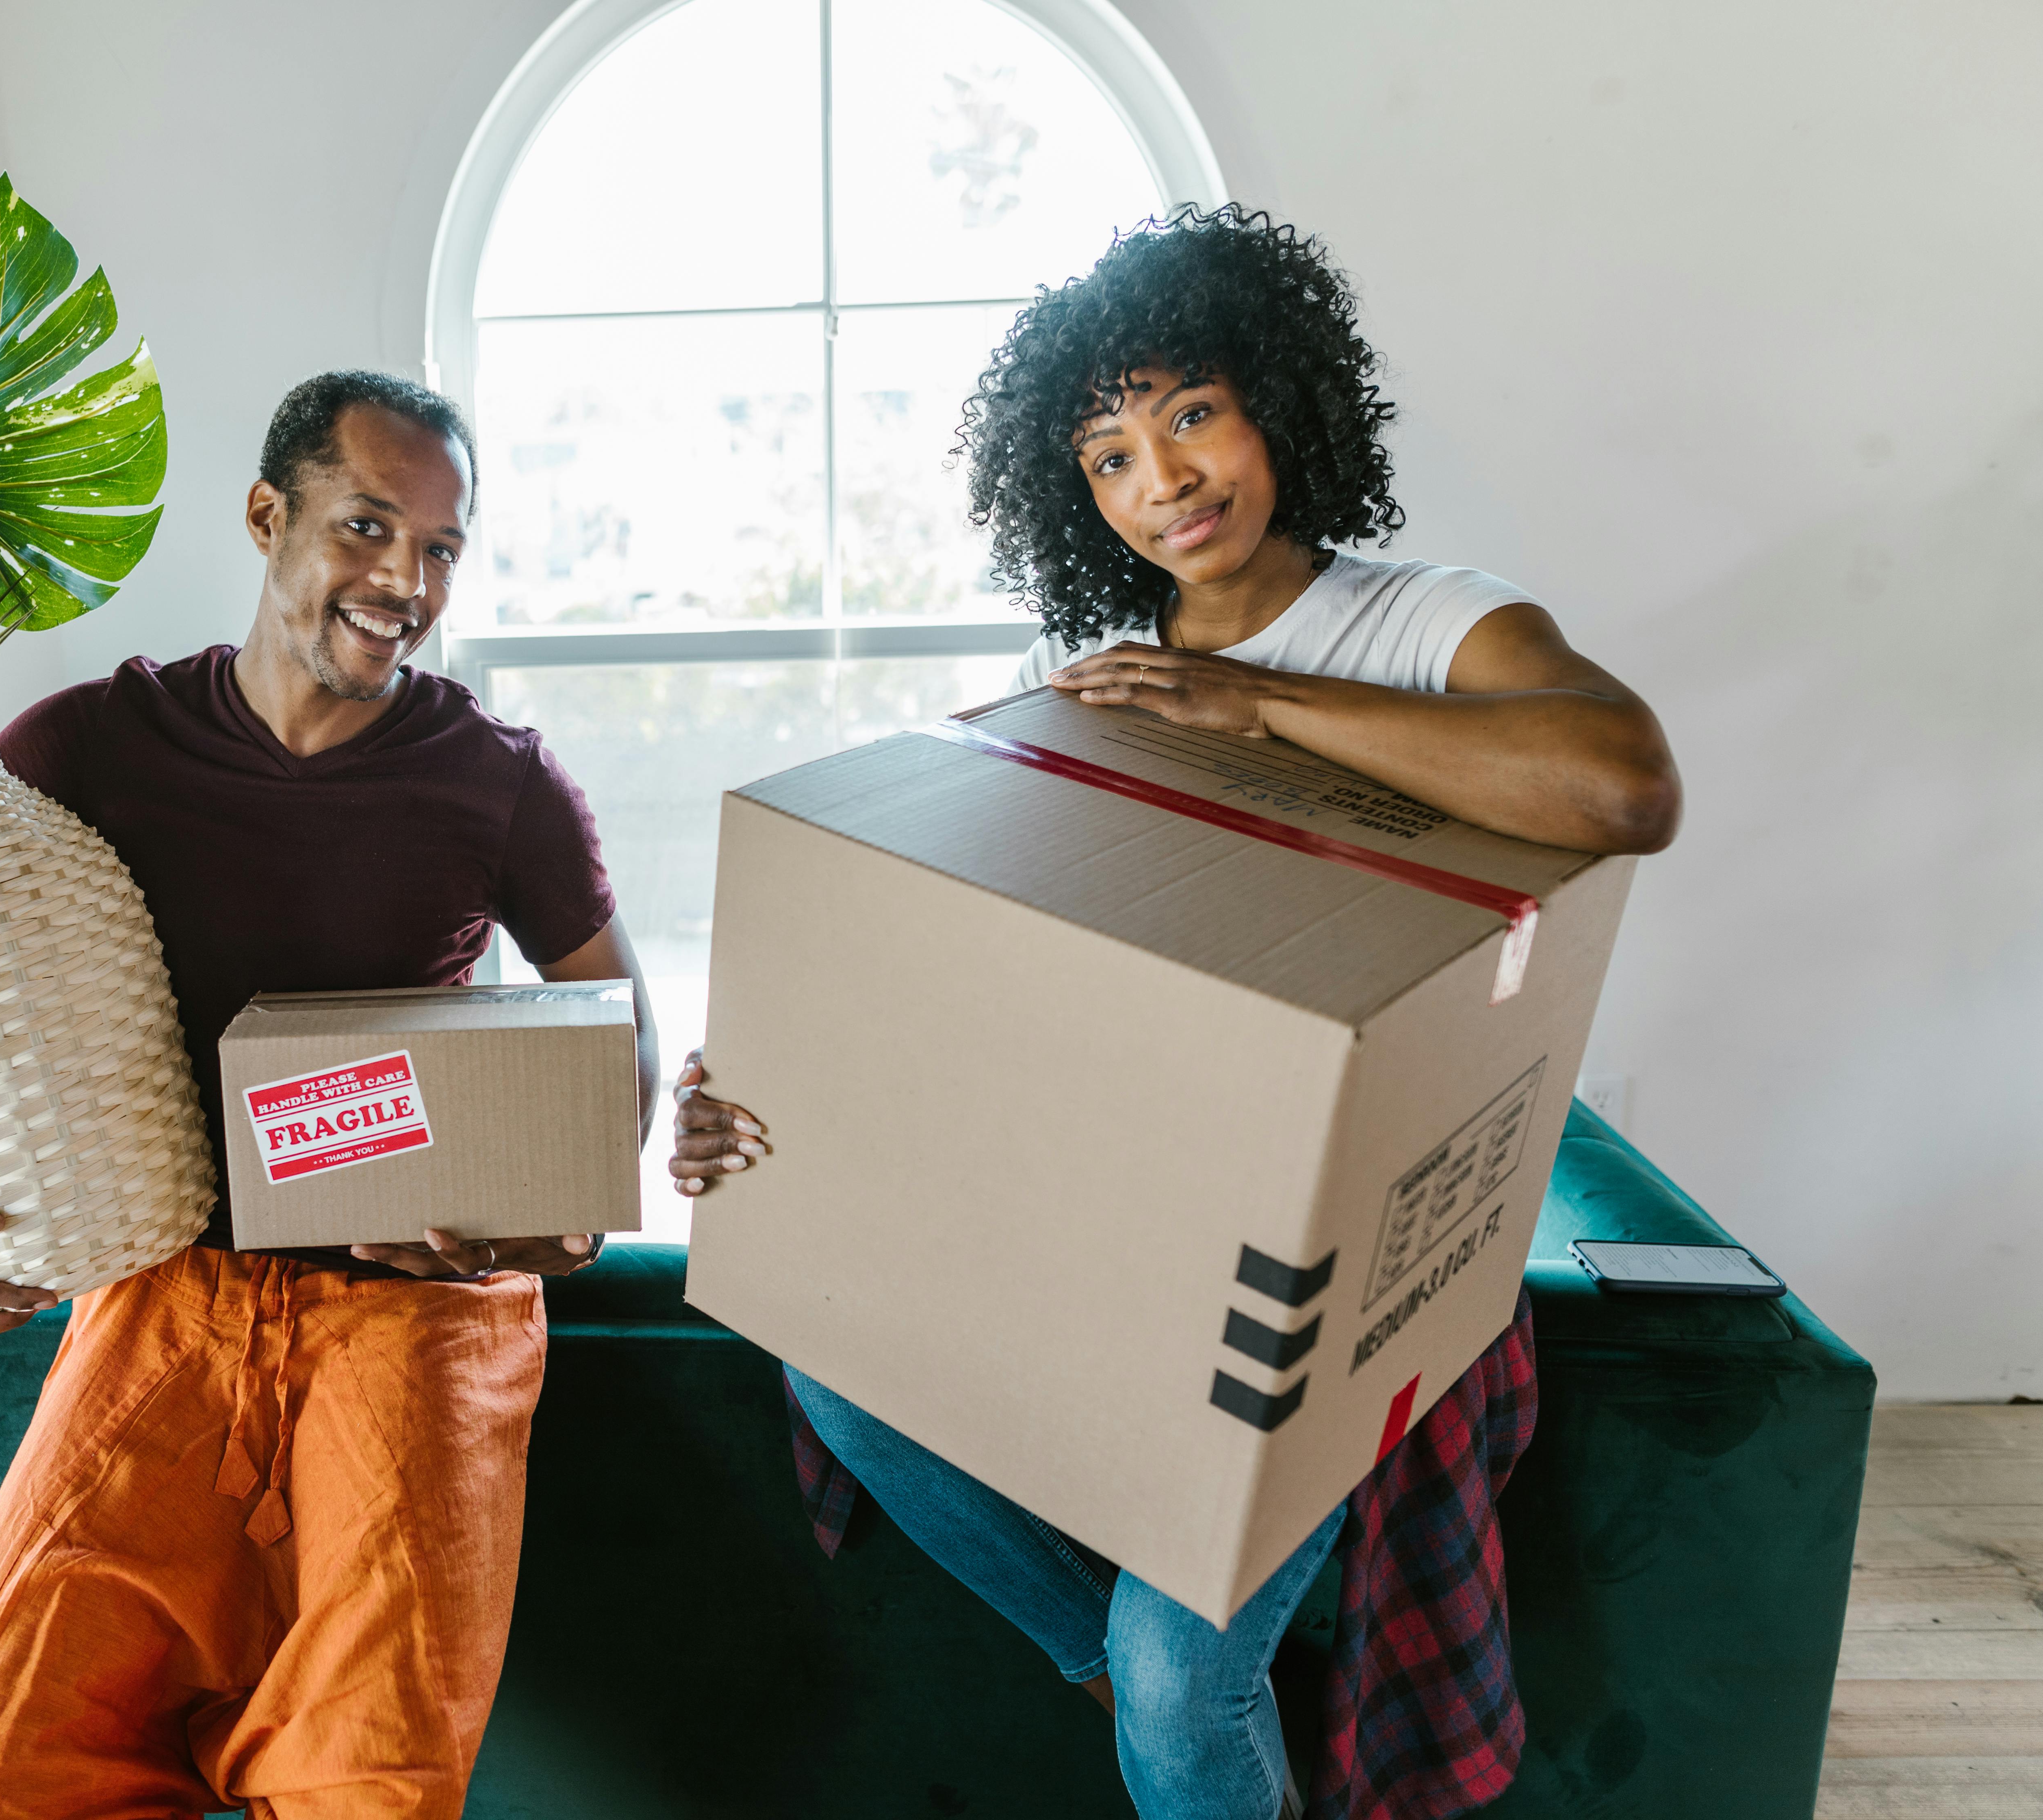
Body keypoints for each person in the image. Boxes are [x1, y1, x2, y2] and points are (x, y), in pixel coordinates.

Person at [670, 207, 1681, 1820]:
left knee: (1175, 1668)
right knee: (837, 1378)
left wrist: (1259, 701)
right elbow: (990, 973)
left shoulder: (1431, 621)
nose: (1165, 481)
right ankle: (1139, 1698)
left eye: (1192, 413)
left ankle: (1166, 1705)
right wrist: (782, 1072)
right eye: (1110, 456)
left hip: (1327, 1266)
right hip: (1120, 1212)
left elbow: (1627, 787)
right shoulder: (1080, 676)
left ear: (1280, 398)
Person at [0, 370, 658, 1820]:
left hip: (418, 1303)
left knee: (371, 1786)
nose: (406, 582)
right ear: (267, 517)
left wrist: (542, 1218)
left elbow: (613, 1029)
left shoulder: (499, 782)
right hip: (168, 1290)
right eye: (367, 528)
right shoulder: (98, 745)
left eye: (440, 549)